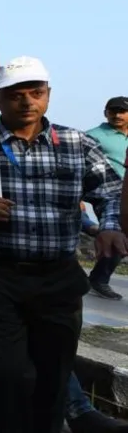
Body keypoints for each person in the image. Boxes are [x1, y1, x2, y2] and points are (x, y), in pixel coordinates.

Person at [0, 56, 126, 433]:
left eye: (35, 93)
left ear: (48, 96)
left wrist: (108, 226)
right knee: (9, 373)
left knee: (54, 374)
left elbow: (108, 191)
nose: (27, 102)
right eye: (15, 95)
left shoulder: (76, 143)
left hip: (57, 279)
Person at [85, 96, 128, 300]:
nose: (117, 115)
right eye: (113, 111)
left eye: (122, 111)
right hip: (108, 193)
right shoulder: (94, 136)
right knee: (116, 232)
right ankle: (99, 279)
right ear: (106, 113)